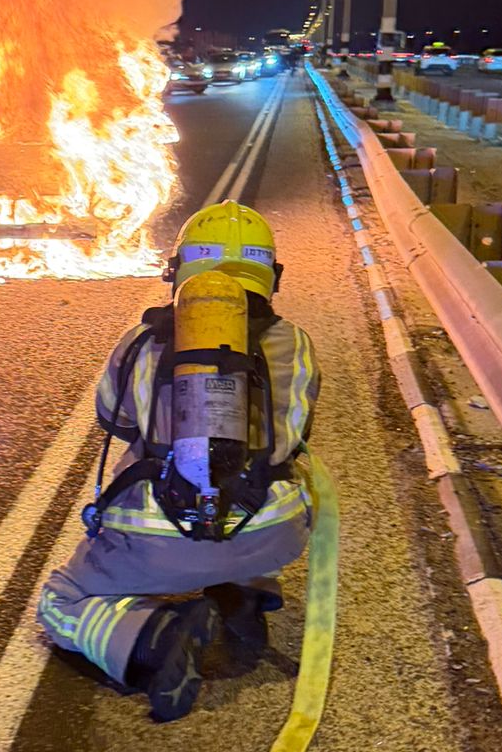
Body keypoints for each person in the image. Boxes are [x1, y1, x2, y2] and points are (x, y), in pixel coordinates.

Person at [37, 201, 320, 721]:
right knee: (281, 472)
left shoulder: (140, 343)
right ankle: (246, 592)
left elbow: (113, 421)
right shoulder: (297, 344)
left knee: (60, 602)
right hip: (270, 532)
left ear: (180, 270)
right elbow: (295, 435)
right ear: (270, 275)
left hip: (160, 535)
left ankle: (154, 636)